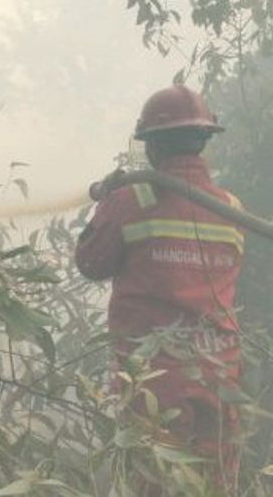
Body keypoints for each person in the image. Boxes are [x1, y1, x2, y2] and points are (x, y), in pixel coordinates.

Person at [75, 84, 244, 490]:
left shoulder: (132, 200)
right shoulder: (232, 209)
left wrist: (107, 203)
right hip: (220, 376)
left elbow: (91, 262)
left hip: (154, 382)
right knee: (215, 486)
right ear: (203, 140)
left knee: (154, 484)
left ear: (151, 146)